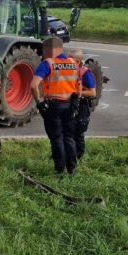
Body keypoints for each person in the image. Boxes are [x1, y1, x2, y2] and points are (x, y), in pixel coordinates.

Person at [30, 37, 81, 175]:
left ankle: (59, 169)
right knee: (69, 137)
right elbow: (79, 86)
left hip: (53, 106)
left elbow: (33, 85)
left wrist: (39, 102)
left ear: (48, 49)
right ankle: (72, 169)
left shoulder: (48, 63)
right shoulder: (74, 63)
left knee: (56, 138)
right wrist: (75, 101)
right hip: (70, 105)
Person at [67, 48, 97, 161]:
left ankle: (78, 156)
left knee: (78, 133)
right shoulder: (67, 70)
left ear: (77, 61)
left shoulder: (85, 73)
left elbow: (92, 93)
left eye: (70, 59)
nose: (67, 62)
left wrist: (75, 92)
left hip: (82, 105)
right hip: (70, 104)